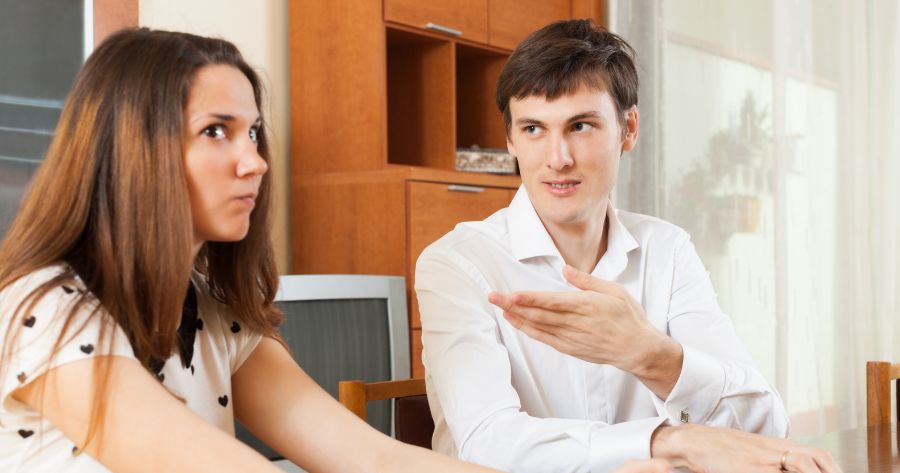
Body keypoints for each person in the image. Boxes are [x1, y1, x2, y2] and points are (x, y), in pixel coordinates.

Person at [0, 28, 513, 473]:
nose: (255, 161)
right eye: (215, 131)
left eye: (252, 132)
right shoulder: (45, 312)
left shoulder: (214, 315)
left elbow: (373, 459)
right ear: (133, 147)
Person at [415, 19, 841, 473]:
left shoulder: (667, 250)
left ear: (629, 128)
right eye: (534, 129)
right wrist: (669, 442)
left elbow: (765, 428)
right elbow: (486, 444)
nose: (558, 159)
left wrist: (652, 355)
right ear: (511, 140)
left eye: (581, 125)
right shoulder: (457, 264)